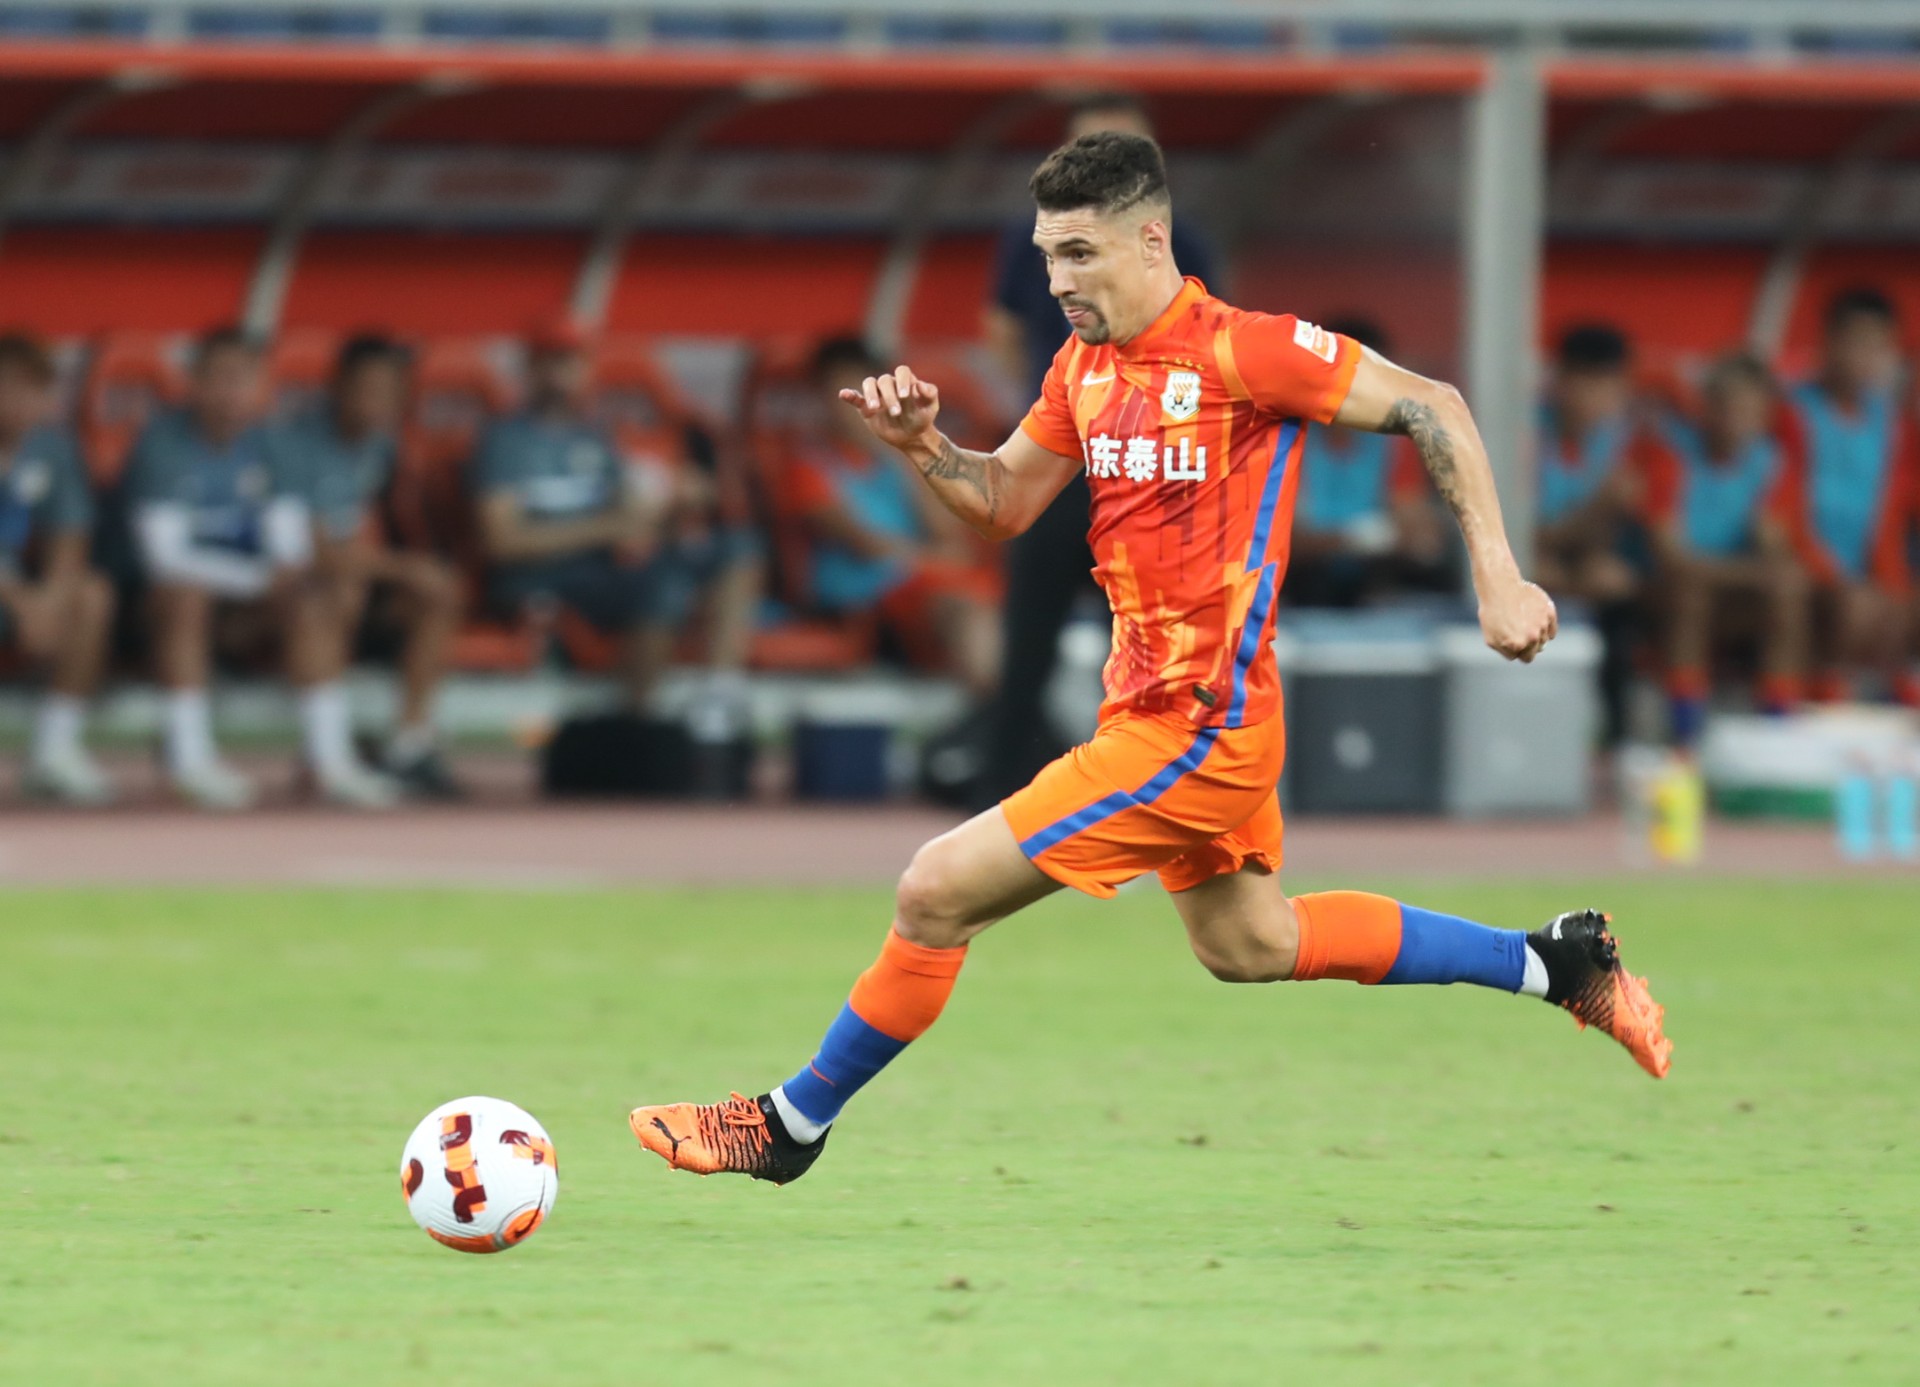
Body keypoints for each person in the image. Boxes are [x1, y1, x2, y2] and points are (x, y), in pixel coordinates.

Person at [628, 131, 1671, 1187]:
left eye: (1080, 253)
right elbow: (1005, 501)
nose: (1057, 280)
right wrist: (924, 448)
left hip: (1201, 727)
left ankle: (789, 1123)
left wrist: (1498, 574)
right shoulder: (1082, 366)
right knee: (1250, 944)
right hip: (1154, 714)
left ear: (1152, 240)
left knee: (935, 890)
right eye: (1048, 255)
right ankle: (1554, 962)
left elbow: (1432, 404)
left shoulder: (1245, 351)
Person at [978, 93, 1221, 803]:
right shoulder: (1033, 238)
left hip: (1146, 468)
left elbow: (1205, 343)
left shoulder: (1179, 240)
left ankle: (1146, 790)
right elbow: (1001, 324)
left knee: (1146, 638)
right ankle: (1000, 794)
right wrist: (1047, 400)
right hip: (1064, 460)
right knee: (1030, 634)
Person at [129, 326, 393, 810]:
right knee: (184, 595)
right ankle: (189, 762)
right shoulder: (162, 442)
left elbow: (288, 538)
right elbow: (163, 558)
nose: (232, 392)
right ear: (194, 382)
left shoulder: (273, 443)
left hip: (245, 605)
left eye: (244, 378)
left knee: (313, 595)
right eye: (221, 377)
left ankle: (329, 760)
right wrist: (257, 579)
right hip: (157, 609)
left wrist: (284, 577)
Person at [472, 323, 762, 737]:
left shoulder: (593, 434)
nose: (559, 375)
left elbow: (628, 515)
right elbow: (502, 541)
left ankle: (719, 691)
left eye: (570, 363)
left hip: (604, 565)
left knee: (734, 547)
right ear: (530, 369)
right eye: (548, 362)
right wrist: (606, 529)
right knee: (660, 584)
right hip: (540, 574)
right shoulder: (506, 439)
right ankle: (635, 721)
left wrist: (673, 504)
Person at [269, 335, 464, 797]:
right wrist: (400, 567)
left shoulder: (380, 446)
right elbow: (307, 551)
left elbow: (359, 529)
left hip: (349, 582)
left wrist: (399, 567)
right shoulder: (291, 443)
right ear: (337, 387)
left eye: (393, 390)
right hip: (273, 591)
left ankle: (410, 744)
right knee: (338, 589)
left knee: (437, 590)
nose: (381, 402)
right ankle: (328, 757)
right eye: (370, 388)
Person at [788, 336, 1002, 697]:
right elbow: (868, 545)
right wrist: (939, 560)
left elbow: (947, 532)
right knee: (963, 610)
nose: (857, 409)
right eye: (844, 397)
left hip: (927, 583)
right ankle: (999, 712)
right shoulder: (810, 467)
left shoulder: (900, 458)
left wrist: (900, 454)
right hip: (869, 599)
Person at [1642, 353, 1808, 745]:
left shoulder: (1771, 464)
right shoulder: (1670, 452)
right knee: (1690, 594)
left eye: (1748, 409)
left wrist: (1766, 553)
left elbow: (1776, 550)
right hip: (1664, 588)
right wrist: (1749, 570)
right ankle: (1685, 738)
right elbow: (1670, 556)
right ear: (1705, 406)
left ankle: (1778, 733)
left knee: (1788, 592)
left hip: (1729, 587)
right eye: (1726, 405)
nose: (1735, 419)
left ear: (1765, 416)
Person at [1774, 287, 1917, 705]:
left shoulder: (1892, 423)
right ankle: (1819, 690)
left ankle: (1891, 693)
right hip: (1806, 565)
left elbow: (1890, 517)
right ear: (1828, 342)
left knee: (1903, 604)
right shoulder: (1791, 413)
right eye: (1856, 342)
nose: (1866, 357)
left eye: (1878, 346)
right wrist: (1834, 578)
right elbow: (1782, 513)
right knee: (1851, 606)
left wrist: (1892, 586)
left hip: (1865, 573)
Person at [0, 332, 116, 803]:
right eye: (9, 384)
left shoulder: (52, 448)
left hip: (23, 594)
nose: (19, 398)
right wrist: (20, 600)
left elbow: (70, 534)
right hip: (8, 594)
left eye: (33, 388)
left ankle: (55, 749)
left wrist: (48, 599)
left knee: (91, 594)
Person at [1531, 323, 1650, 745]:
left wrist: (1585, 539)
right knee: (1537, 580)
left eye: (1607, 386)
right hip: (1535, 561)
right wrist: (1594, 513)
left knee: (1612, 582)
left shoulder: (1631, 440)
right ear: (1560, 381)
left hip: (1595, 563)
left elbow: (1624, 532)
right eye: (1585, 383)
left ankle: (1618, 735)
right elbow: (1526, 535)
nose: (1595, 399)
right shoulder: (1524, 434)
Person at [1286, 317, 1451, 608]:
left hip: (1374, 583)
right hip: (1303, 586)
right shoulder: (1291, 437)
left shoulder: (1394, 443)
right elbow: (1283, 539)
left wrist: (1402, 536)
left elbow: (1417, 531)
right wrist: (1351, 540)